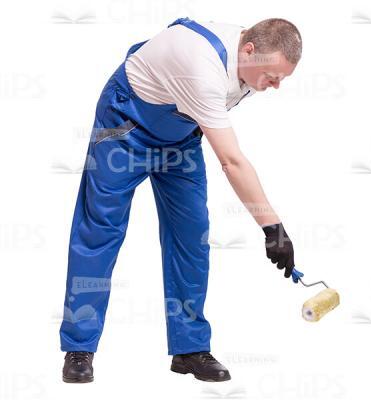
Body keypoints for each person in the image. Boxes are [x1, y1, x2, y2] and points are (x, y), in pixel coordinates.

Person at [60, 16, 302, 383]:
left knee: (191, 235)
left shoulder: (249, 55)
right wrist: (273, 228)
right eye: (272, 76)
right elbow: (232, 161)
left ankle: (189, 349)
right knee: (99, 232)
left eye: (282, 79)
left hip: (180, 136)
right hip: (125, 125)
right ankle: (79, 347)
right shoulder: (203, 70)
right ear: (249, 50)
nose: (275, 86)